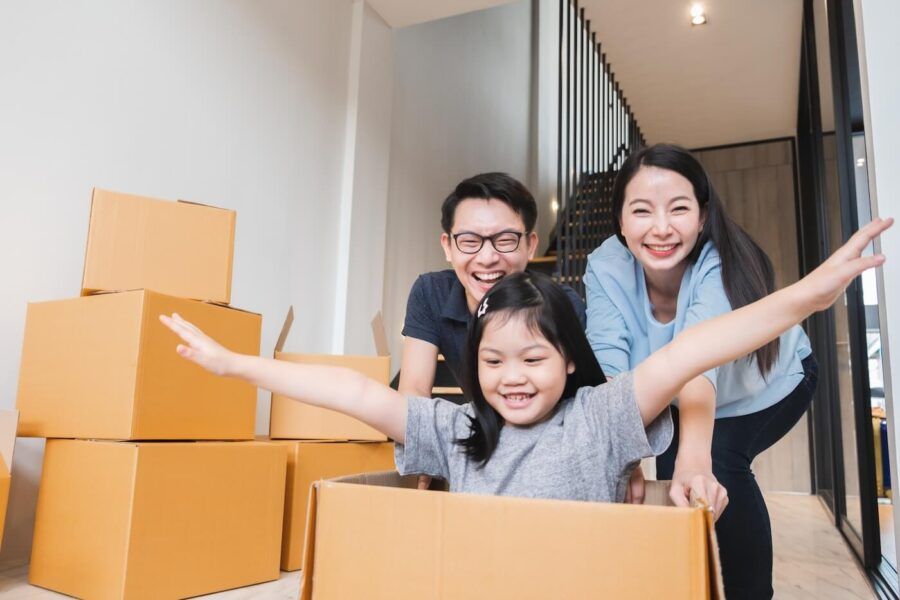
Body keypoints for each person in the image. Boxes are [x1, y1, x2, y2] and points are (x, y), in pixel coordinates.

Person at [159, 216, 889, 514]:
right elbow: (351, 389)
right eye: (494, 360)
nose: (513, 376)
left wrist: (808, 294)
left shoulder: (604, 417)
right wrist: (237, 366)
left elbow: (701, 347)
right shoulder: (451, 430)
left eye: (534, 357)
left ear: (569, 363)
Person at [584, 143, 817, 599]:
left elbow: (697, 366)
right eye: (642, 211)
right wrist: (624, 458)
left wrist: (697, 460)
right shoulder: (604, 267)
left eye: (679, 209)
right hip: (682, 392)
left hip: (770, 385)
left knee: (716, 463)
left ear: (703, 215)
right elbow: (609, 371)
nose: (662, 228)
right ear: (620, 221)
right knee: (677, 480)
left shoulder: (718, 264)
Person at [398, 172, 585, 401]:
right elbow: (413, 396)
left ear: (530, 245)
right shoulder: (431, 293)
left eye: (505, 240)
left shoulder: (561, 305)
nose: (487, 258)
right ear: (448, 247)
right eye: (469, 241)